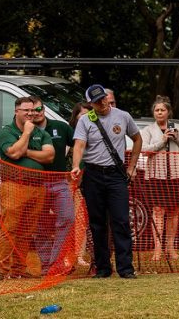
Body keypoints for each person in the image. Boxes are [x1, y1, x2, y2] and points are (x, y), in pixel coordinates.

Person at [70, 83, 142, 279]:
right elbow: (79, 144)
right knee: (97, 223)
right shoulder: (85, 120)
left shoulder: (123, 116)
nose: (102, 103)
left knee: (121, 221)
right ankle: (102, 269)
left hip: (116, 176)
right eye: (96, 101)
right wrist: (76, 165)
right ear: (90, 104)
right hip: (93, 175)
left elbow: (137, 139)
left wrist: (132, 166)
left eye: (103, 98)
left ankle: (126, 269)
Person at [0, 96, 55, 279]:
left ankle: (18, 270)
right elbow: (13, 153)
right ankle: (0, 270)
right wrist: (27, 134)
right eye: (26, 110)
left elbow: (50, 156)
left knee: (26, 231)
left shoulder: (41, 132)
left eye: (33, 110)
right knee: (9, 228)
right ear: (16, 112)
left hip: (37, 186)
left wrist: (25, 151)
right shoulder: (7, 131)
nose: (30, 114)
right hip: (14, 186)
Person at [139, 95, 179, 262]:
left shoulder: (178, 128)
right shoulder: (147, 130)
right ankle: (157, 249)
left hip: (177, 174)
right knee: (158, 210)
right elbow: (144, 150)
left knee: (174, 211)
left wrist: (177, 138)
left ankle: (171, 248)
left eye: (162, 110)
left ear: (169, 112)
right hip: (156, 175)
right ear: (153, 112)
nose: (159, 113)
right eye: (157, 110)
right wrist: (161, 142)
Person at [32, 101, 80, 275]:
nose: (36, 113)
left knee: (67, 218)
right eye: (32, 110)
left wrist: (75, 164)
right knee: (40, 227)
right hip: (37, 183)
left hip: (60, 181)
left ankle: (55, 262)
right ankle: (47, 266)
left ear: (44, 110)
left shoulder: (60, 127)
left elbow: (80, 143)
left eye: (39, 109)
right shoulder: (25, 130)